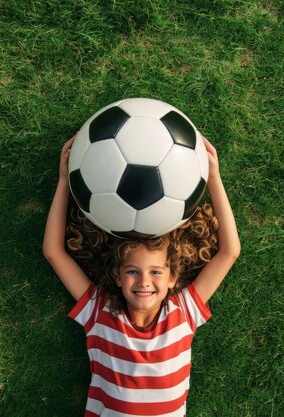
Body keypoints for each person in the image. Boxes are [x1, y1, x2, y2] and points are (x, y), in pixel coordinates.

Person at [43, 134, 240, 416]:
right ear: (117, 276)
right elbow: (54, 252)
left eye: (156, 272)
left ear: (172, 278)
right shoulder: (99, 313)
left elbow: (229, 252)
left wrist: (214, 180)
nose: (145, 281)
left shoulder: (183, 311)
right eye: (132, 271)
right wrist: (64, 181)